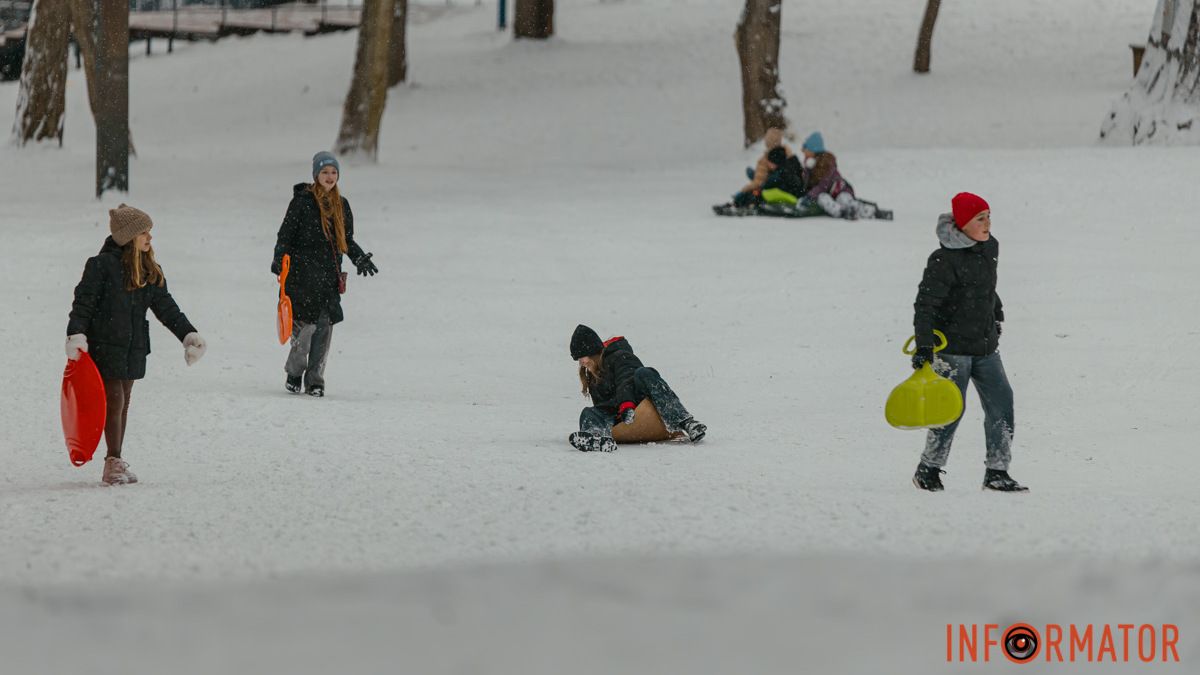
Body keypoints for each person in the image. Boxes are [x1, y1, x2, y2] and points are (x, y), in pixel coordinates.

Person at [66, 205, 206, 485]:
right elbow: (83, 304)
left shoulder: (148, 269)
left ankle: (115, 458)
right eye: (144, 232)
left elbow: (166, 308)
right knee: (114, 399)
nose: (149, 238)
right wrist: (76, 334)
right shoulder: (101, 265)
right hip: (104, 344)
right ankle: (112, 462)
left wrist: (188, 335)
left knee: (123, 401)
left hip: (133, 347)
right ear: (128, 236)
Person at [910, 192, 1027, 492]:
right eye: (980, 218)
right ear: (962, 224)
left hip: (985, 347)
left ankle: (997, 471)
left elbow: (985, 289)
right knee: (949, 410)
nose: (988, 223)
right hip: (951, 350)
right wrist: (924, 346)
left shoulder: (990, 248)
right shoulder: (943, 260)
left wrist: (996, 316)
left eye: (989, 216)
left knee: (1002, 404)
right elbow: (926, 305)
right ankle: (929, 469)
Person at [271, 152, 378, 397]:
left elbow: (346, 240)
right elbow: (285, 234)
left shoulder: (342, 205)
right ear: (316, 175)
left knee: (324, 332)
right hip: (301, 276)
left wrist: (359, 257)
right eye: (324, 172)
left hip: (327, 278)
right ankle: (294, 372)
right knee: (304, 331)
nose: (329, 177)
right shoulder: (301, 202)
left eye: (333, 172)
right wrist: (278, 258)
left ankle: (316, 381)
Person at [568, 325, 706, 452]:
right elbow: (602, 406)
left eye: (581, 357)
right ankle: (596, 437)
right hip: (622, 416)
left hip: (638, 405)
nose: (581, 362)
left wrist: (626, 404)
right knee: (589, 412)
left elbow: (626, 379)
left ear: (592, 351)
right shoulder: (592, 375)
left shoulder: (619, 356)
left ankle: (686, 423)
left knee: (644, 373)